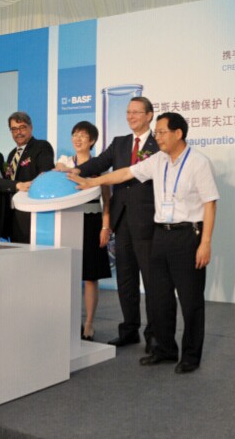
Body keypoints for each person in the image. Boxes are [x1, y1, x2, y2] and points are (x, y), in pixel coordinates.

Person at [71, 112, 218, 373]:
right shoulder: (157, 160)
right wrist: (93, 181)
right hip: (159, 234)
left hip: (188, 236)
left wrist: (205, 242)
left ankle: (190, 356)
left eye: (161, 132)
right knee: (159, 297)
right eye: (156, 132)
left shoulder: (199, 162)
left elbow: (210, 203)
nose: (157, 137)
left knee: (190, 300)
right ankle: (165, 349)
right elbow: (125, 173)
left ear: (178, 134)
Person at [74, 97, 163, 350]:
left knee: (151, 280)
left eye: (136, 112)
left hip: (148, 220)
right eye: (128, 112)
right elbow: (99, 163)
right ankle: (129, 330)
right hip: (121, 219)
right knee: (125, 279)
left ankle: (155, 334)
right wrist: (75, 171)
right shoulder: (120, 143)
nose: (130, 116)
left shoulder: (159, 143)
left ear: (149, 115)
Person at [59, 121, 113, 341]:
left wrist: (105, 227)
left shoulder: (100, 165)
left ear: (92, 140)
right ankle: (69, 321)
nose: (77, 138)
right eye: (75, 134)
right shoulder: (63, 162)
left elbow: (107, 200)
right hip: (67, 221)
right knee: (66, 274)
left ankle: (89, 323)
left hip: (92, 222)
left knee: (91, 276)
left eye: (83, 135)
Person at [6, 112, 55, 243]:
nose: (18, 132)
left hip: (33, 213)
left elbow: (45, 175)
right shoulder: (12, 154)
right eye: (14, 129)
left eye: (22, 127)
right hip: (14, 214)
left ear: (31, 128)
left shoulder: (41, 146)